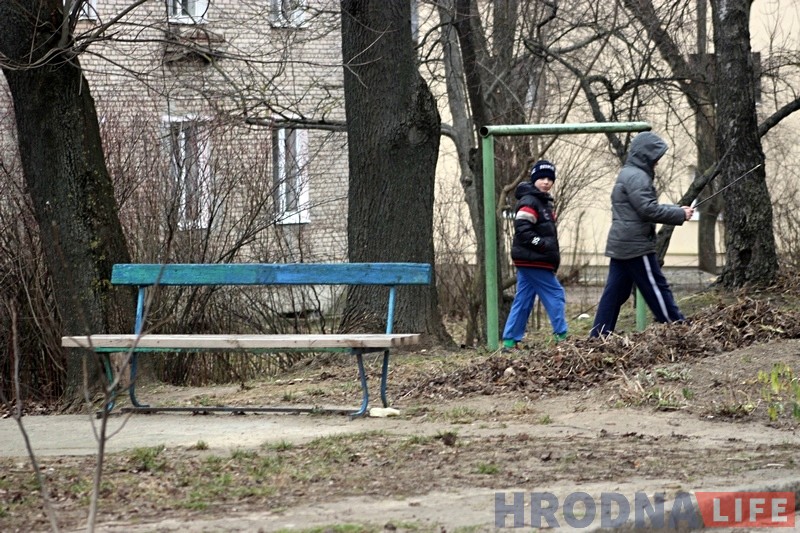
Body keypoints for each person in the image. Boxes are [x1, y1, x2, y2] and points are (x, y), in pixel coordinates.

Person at [589, 131, 694, 338]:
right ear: (647, 155)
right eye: (656, 157)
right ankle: (678, 328)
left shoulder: (628, 173)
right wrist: (680, 213)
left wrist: (676, 210)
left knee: (614, 294)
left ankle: (598, 335)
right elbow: (648, 209)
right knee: (657, 289)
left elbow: (644, 206)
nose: (657, 162)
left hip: (621, 243)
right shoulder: (638, 176)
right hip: (635, 245)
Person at [501, 160, 568, 350]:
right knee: (555, 293)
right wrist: (542, 244)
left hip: (533, 259)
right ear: (534, 179)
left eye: (549, 179)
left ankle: (510, 340)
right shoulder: (530, 201)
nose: (546, 182)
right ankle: (561, 336)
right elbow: (523, 230)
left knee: (523, 298)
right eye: (542, 178)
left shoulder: (543, 202)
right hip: (534, 260)